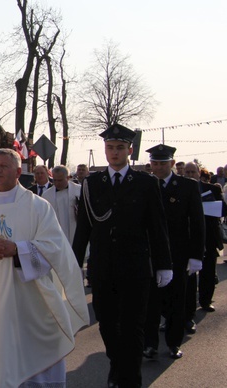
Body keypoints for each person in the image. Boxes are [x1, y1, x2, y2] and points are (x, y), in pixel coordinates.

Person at [0, 149, 89, 387]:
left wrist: (18, 250)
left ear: (19, 172)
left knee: (30, 357)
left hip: (29, 297)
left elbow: (54, 248)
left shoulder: (38, 207)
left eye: (4, 166)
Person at [72, 123, 172, 388]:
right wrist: (73, 263)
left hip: (135, 267)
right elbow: (84, 228)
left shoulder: (145, 183)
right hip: (103, 267)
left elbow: (157, 225)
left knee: (132, 326)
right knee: (106, 324)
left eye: (119, 148)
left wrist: (164, 265)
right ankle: (118, 366)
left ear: (129, 150)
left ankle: (130, 380)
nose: (114, 153)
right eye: (109, 148)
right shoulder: (92, 183)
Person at [142, 145, 203, 360]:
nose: (158, 167)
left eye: (162, 163)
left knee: (177, 301)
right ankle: (149, 344)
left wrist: (196, 255)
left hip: (178, 253)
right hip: (150, 254)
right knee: (150, 303)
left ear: (171, 163)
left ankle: (173, 343)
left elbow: (197, 222)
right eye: (155, 163)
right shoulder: (144, 185)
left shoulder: (187, 186)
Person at [183, 164, 225, 321]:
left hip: (209, 236)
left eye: (192, 172)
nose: (189, 174)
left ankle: (206, 301)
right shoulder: (179, 189)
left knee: (208, 271)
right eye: (187, 172)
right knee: (189, 276)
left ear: (199, 173)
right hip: (188, 239)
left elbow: (223, 210)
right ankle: (189, 311)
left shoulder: (212, 189)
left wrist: (207, 208)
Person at [42, 165, 81, 244]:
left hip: (76, 233)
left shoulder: (79, 191)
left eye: (60, 180)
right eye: (55, 180)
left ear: (68, 178)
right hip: (56, 236)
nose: (57, 183)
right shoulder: (46, 195)